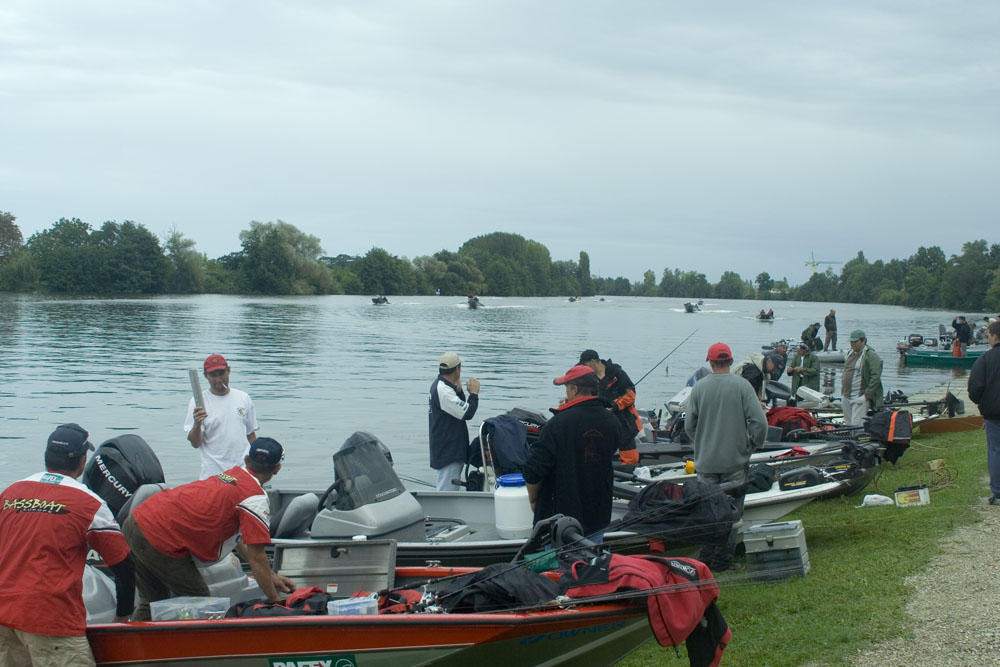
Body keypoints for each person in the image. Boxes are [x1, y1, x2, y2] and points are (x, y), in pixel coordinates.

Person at [0, 424, 135, 666]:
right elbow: (123, 566)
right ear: (83, 462)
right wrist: (123, 616)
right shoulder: (89, 503)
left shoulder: (10, 493)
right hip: (50, 620)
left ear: (46, 457)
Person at [122, 437, 295, 621]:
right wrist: (277, 602)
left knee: (153, 600)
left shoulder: (232, 475)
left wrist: (270, 576)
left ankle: (133, 645)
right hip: (159, 536)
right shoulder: (254, 499)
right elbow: (257, 558)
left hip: (136, 519)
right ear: (277, 468)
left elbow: (241, 541)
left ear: (246, 460)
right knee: (198, 599)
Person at [685, 343, 768, 572]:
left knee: (709, 513)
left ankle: (705, 560)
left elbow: (689, 425)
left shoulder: (699, 388)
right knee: (731, 514)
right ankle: (722, 562)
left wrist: (701, 443)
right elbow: (759, 423)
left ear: (710, 362)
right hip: (735, 462)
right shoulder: (742, 386)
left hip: (706, 463)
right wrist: (753, 444)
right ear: (731, 362)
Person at [522, 365, 622, 538]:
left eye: (567, 388)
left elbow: (533, 470)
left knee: (554, 564)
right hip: (598, 514)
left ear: (575, 389)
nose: (565, 393)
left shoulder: (557, 425)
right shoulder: (612, 422)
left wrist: (533, 500)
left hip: (558, 521)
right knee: (591, 563)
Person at [185, 353, 259, 479]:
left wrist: (258, 463)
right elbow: (195, 443)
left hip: (242, 472)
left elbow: (251, 435)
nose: (218, 379)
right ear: (205, 376)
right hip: (212, 475)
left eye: (221, 373)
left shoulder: (243, 398)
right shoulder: (198, 402)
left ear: (228, 371)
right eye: (213, 375)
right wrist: (197, 424)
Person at [577, 349, 640, 465]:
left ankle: (630, 474)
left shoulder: (617, 373)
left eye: (584, 364)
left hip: (624, 422)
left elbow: (631, 394)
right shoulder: (590, 379)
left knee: (630, 458)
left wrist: (614, 406)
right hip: (601, 423)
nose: (583, 368)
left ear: (592, 361)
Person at [428, 352, 480, 491]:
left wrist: (460, 391)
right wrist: (474, 394)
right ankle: (442, 512)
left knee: (448, 486)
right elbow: (467, 413)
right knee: (447, 490)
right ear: (457, 369)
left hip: (448, 447)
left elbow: (457, 408)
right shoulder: (443, 391)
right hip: (448, 450)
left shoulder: (443, 387)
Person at [969, 321, 1000, 504]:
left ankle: (998, 492)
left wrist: (981, 402)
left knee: (996, 450)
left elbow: (975, 386)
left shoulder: (985, 359)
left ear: (994, 337)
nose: (988, 340)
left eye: (988, 336)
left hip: (993, 412)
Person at [841, 330, 884, 427]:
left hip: (860, 396)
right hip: (846, 395)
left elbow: (875, 376)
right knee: (848, 424)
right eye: (851, 342)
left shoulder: (871, 355)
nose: (852, 344)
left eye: (855, 342)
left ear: (863, 341)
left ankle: (859, 440)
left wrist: (867, 395)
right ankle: (847, 441)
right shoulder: (849, 354)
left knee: (856, 425)